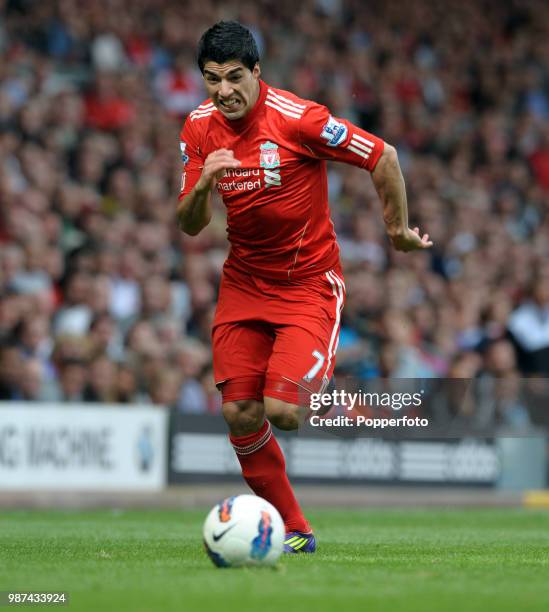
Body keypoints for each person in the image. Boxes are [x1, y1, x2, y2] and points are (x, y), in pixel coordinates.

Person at [176, 21, 432, 554]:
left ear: (257, 71)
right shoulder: (198, 128)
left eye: (234, 77)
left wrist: (398, 233)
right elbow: (190, 224)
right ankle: (295, 529)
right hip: (244, 283)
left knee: (284, 412)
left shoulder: (299, 120)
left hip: (309, 285)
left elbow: (381, 155)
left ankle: (351, 405)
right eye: (211, 79)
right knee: (238, 412)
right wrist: (202, 185)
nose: (223, 90)